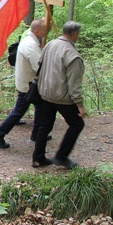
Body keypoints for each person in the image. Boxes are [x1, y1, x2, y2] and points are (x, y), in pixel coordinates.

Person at [32, 21, 86, 169]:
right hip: (62, 98)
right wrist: (80, 105)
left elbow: (40, 64)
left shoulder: (50, 44)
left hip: (45, 93)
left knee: (45, 126)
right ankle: (61, 156)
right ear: (74, 34)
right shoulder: (73, 55)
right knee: (77, 124)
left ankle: (38, 158)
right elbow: (74, 85)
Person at [0, 19, 47, 148]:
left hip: (28, 82)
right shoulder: (31, 45)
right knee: (19, 112)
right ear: (37, 31)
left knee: (40, 106)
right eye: (44, 30)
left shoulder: (29, 41)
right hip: (28, 84)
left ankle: (36, 133)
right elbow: (38, 66)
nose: (45, 32)